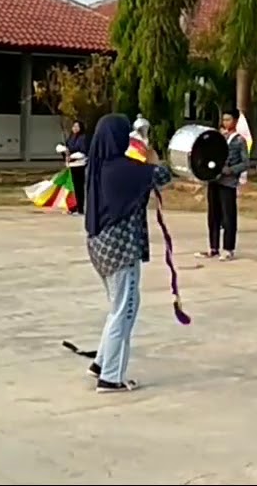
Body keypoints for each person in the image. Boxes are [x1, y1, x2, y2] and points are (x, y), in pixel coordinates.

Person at [84, 114, 173, 393]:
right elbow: (162, 175)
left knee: (119, 307)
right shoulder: (124, 169)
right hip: (120, 249)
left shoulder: (97, 166)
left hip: (99, 246)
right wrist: (148, 151)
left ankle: (101, 362)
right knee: (125, 310)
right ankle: (110, 377)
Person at [198, 108, 250, 261]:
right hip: (214, 180)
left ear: (235, 121)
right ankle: (213, 247)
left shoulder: (240, 140)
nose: (226, 122)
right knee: (213, 215)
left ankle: (228, 248)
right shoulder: (218, 137)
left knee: (228, 216)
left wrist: (231, 170)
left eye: (229, 119)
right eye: (224, 119)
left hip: (228, 182)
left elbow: (246, 163)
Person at [63, 120, 88, 216]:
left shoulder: (83, 138)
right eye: (74, 126)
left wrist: (72, 154)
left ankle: (80, 208)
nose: (75, 128)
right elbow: (68, 148)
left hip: (80, 165)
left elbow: (83, 151)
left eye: (77, 126)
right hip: (72, 165)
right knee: (73, 187)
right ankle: (74, 207)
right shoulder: (71, 138)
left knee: (79, 187)